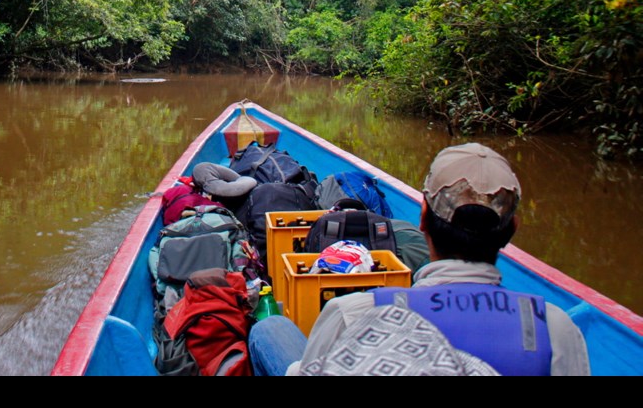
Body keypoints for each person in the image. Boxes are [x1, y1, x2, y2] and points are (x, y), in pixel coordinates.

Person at [248, 142, 591, 376]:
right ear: (511, 229)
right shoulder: (556, 329)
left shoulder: (353, 314)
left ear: (423, 217)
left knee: (270, 329)